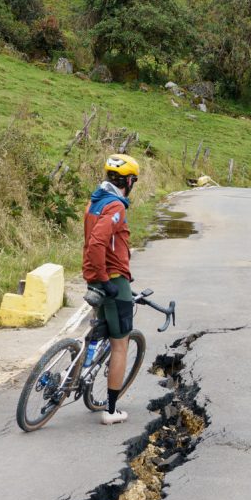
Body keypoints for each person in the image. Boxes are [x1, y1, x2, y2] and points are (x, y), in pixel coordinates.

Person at [82, 154, 140, 425]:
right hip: (112, 280)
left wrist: (97, 276)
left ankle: (81, 374)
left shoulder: (95, 201)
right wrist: (107, 280)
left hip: (94, 276)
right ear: (128, 181)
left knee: (99, 330)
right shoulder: (116, 206)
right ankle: (112, 410)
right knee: (120, 344)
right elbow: (97, 243)